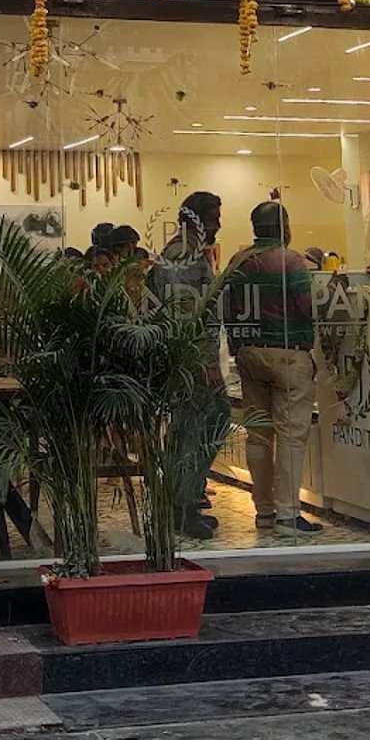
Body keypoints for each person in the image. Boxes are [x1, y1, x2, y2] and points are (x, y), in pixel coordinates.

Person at [218, 201, 321, 535]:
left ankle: (263, 512)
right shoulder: (292, 261)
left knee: (258, 435)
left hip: (249, 355)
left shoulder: (239, 260)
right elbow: (307, 307)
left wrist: (237, 344)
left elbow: (225, 306)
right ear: (284, 225)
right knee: (291, 436)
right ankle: (288, 515)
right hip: (288, 356)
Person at [147, 191, 227, 540]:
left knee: (205, 424)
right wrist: (200, 361)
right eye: (214, 217)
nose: (218, 224)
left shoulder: (188, 253)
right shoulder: (183, 255)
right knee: (193, 430)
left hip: (194, 359)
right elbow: (183, 313)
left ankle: (186, 499)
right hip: (190, 361)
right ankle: (180, 503)